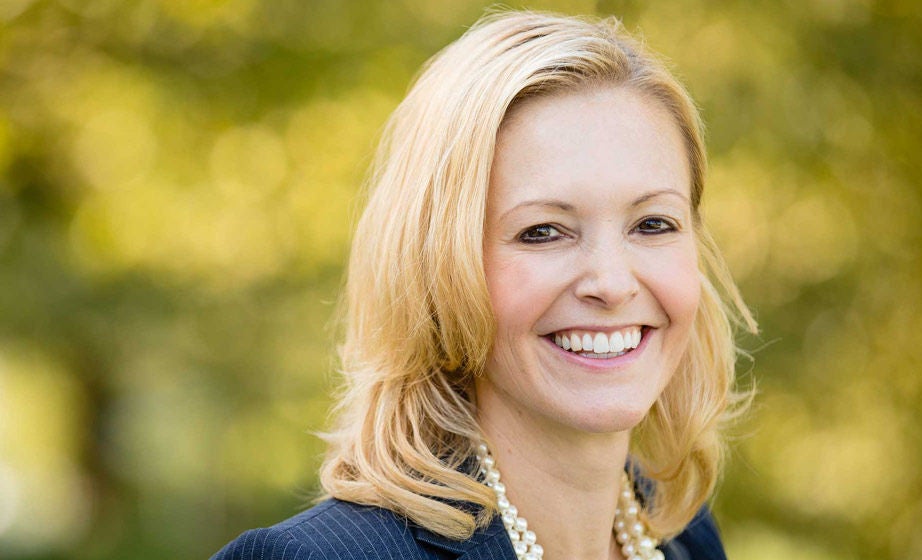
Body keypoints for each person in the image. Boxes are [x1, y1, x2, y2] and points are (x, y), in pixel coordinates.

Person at [211, 10, 755, 560]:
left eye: (652, 224)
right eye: (543, 232)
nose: (612, 284)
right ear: (438, 267)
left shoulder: (683, 538)